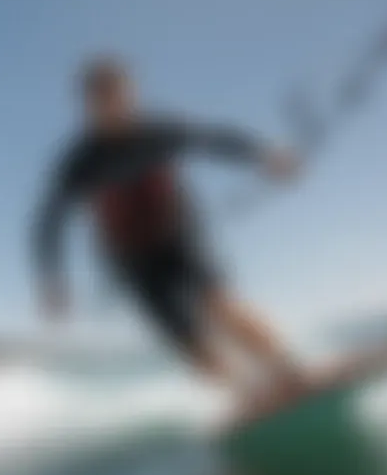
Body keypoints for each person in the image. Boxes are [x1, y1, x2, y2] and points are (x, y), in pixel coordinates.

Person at [32, 56, 307, 420]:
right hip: (130, 260)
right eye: (103, 99)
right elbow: (49, 221)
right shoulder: (79, 162)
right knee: (190, 343)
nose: (115, 106)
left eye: (121, 96)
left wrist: (265, 154)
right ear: (88, 105)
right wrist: (51, 278)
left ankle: (291, 371)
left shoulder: (158, 132)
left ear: (131, 95)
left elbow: (216, 140)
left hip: (178, 233)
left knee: (219, 303)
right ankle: (249, 396)